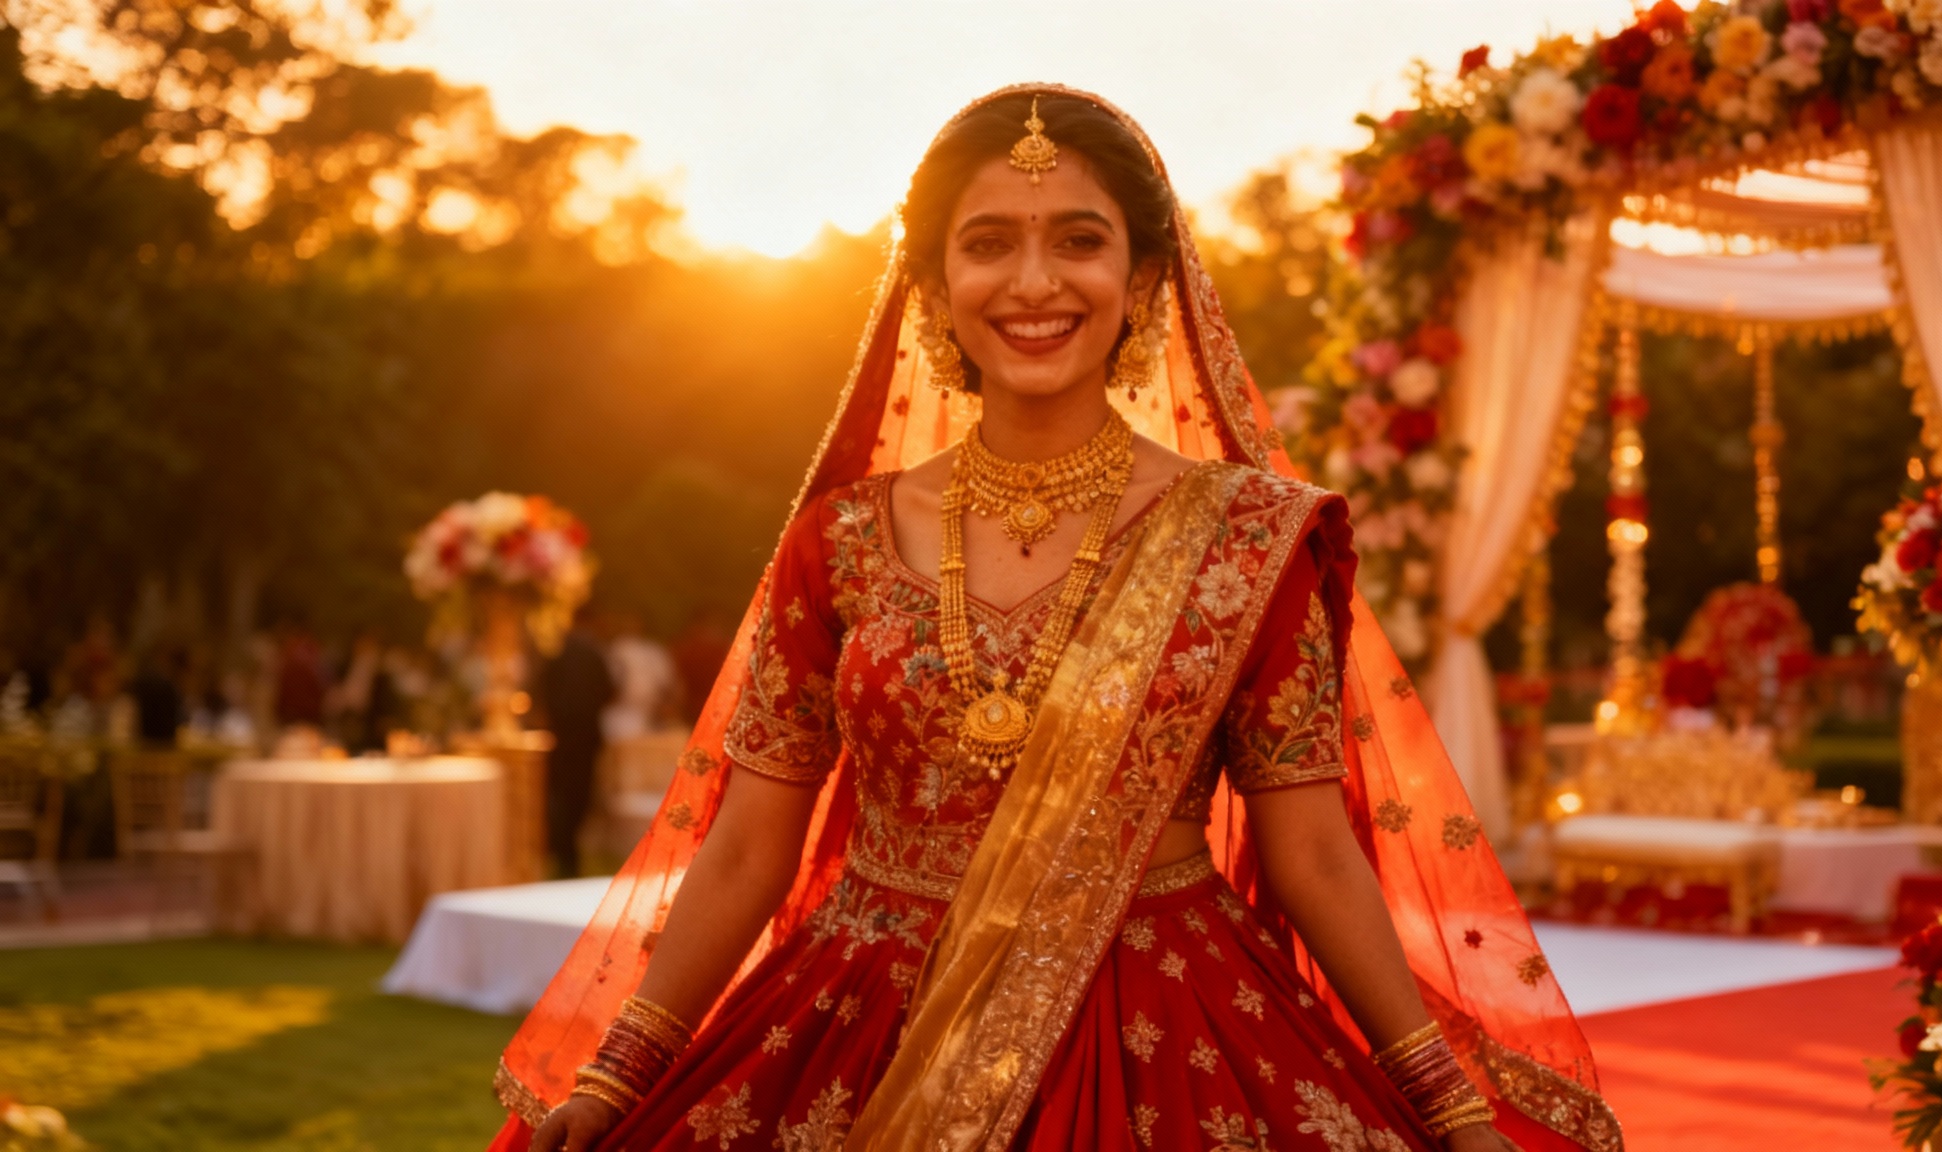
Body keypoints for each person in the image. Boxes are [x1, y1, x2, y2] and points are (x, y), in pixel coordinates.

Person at [496, 87, 1619, 1152]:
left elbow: (1313, 852)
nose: (1033, 281)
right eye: (987, 242)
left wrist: (1444, 1100)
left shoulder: (1246, 538)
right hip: (863, 1017)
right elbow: (748, 843)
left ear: (1141, 278)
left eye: (1078, 239)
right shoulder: (837, 539)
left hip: (1166, 1016)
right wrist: (619, 1072)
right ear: (931, 285)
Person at [538, 607, 616, 878]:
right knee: (577, 797)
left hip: (559, 735)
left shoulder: (556, 651)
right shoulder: (595, 652)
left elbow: (542, 688)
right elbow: (610, 691)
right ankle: (567, 852)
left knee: (558, 794)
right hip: (585, 736)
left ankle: (563, 850)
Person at [602, 614, 677, 745]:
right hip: (622, 715)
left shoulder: (653, 651)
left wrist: (665, 708)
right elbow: (610, 683)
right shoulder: (614, 650)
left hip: (653, 716)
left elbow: (667, 683)